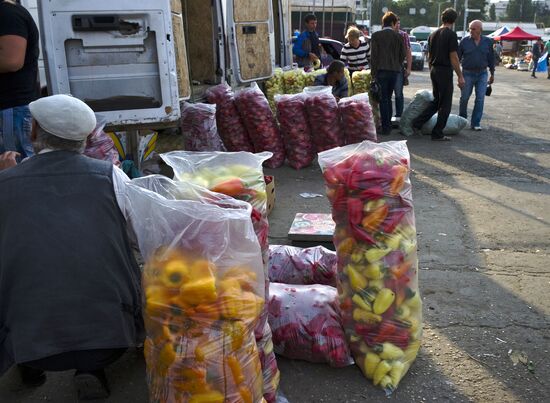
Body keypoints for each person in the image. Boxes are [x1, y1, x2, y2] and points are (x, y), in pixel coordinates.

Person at [0, 94, 144, 400]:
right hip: (112, 342)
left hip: (30, 346)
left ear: (34, 132)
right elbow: (141, 242)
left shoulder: (4, 183)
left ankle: (28, 363)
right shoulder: (112, 177)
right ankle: (91, 370)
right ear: (88, 137)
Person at [412, 8, 465, 141]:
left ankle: (417, 123)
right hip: (444, 71)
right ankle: (437, 133)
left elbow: (429, 56)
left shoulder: (432, 34)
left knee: (436, 101)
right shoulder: (451, 35)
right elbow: (453, 56)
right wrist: (460, 75)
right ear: (454, 20)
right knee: (445, 104)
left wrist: (431, 70)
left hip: (434, 69)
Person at [0, 0, 40, 161]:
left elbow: (11, 61)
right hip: (9, 111)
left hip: (12, 110)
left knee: (17, 172)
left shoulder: (7, 13)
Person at [370, 11, 406, 136]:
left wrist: (373, 73)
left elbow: (373, 57)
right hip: (395, 71)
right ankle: (388, 125)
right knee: (388, 98)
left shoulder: (376, 36)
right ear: (392, 23)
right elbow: (403, 55)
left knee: (383, 99)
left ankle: (385, 128)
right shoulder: (399, 36)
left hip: (381, 70)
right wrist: (397, 64)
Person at [457, 20, 495, 131]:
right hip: (467, 73)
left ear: (480, 30)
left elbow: (491, 59)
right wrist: (459, 76)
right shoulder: (464, 42)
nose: (471, 31)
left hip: (482, 74)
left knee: (480, 99)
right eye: (470, 29)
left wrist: (492, 74)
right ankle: (462, 120)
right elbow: (457, 59)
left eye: (473, 29)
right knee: (464, 98)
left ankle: (476, 123)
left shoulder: (488, 42)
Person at [392, 17, 412, 124]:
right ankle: (387, 117)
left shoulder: (403, 35)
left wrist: (408, 68)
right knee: (386, 94)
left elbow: (408, 52)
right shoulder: (386, 34)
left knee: (398, 93)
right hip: (387, 67)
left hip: (399, 67)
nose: (398, 25)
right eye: (396, 23)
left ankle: (399, 116)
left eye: (399, 23)